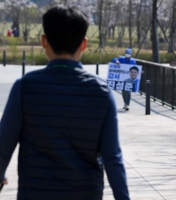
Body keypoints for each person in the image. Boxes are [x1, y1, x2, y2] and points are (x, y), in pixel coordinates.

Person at [0, 5, 130, 200]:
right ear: (84, 44)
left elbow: (3, 146)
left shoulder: (25, 87)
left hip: (36, 193)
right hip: (86, 193)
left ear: (44, 41)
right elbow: (113, 157)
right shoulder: (101, 92)